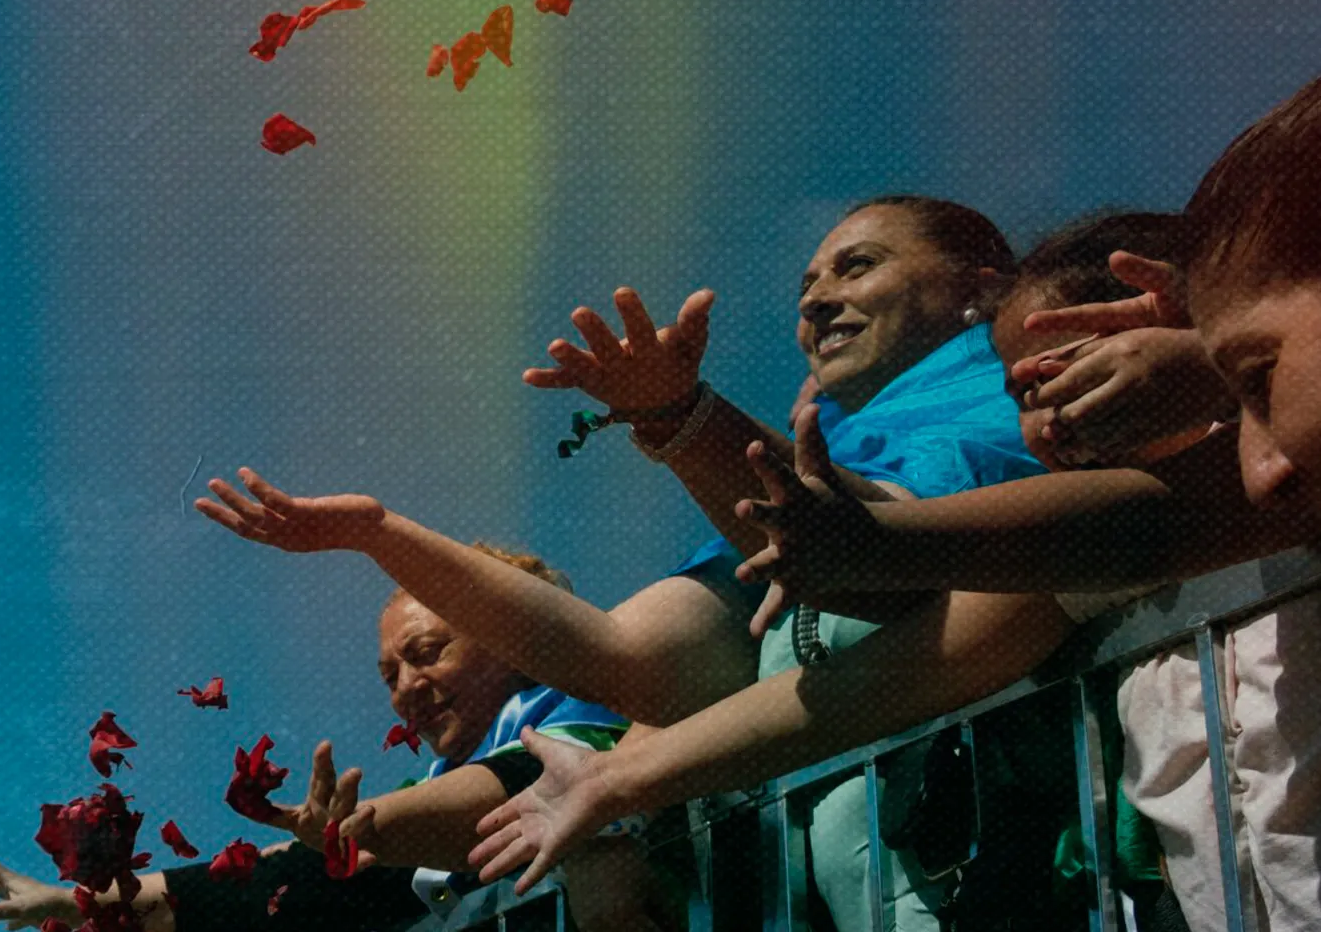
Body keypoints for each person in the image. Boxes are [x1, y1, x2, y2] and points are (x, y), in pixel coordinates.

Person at [470, 79, 1321, 910]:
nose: (815, 298)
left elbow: (918, 547)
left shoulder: (1068, 455)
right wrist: (615, 778)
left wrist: (1204, 365)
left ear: (977, 291)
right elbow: (889, 671)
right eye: (1022, 391)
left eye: (1256, 373)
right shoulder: (1102, 549)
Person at [205, 195, 1061, 930]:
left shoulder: (1019, 395)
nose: (817, 303)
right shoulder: (818, 449)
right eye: (806, 289)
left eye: (856, 267)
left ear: (981, 286)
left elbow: (868, 554)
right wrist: (380, 531)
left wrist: (681, 417)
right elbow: (621, 656)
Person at [0, 546, 671, 932]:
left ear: (516, 633)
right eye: (388, 673)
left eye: (427, 652)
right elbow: (277, 881)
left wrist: (359, 837)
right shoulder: (429, 787)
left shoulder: (592, 707)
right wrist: (80, 901)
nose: (404, 689)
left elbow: (521, 791)